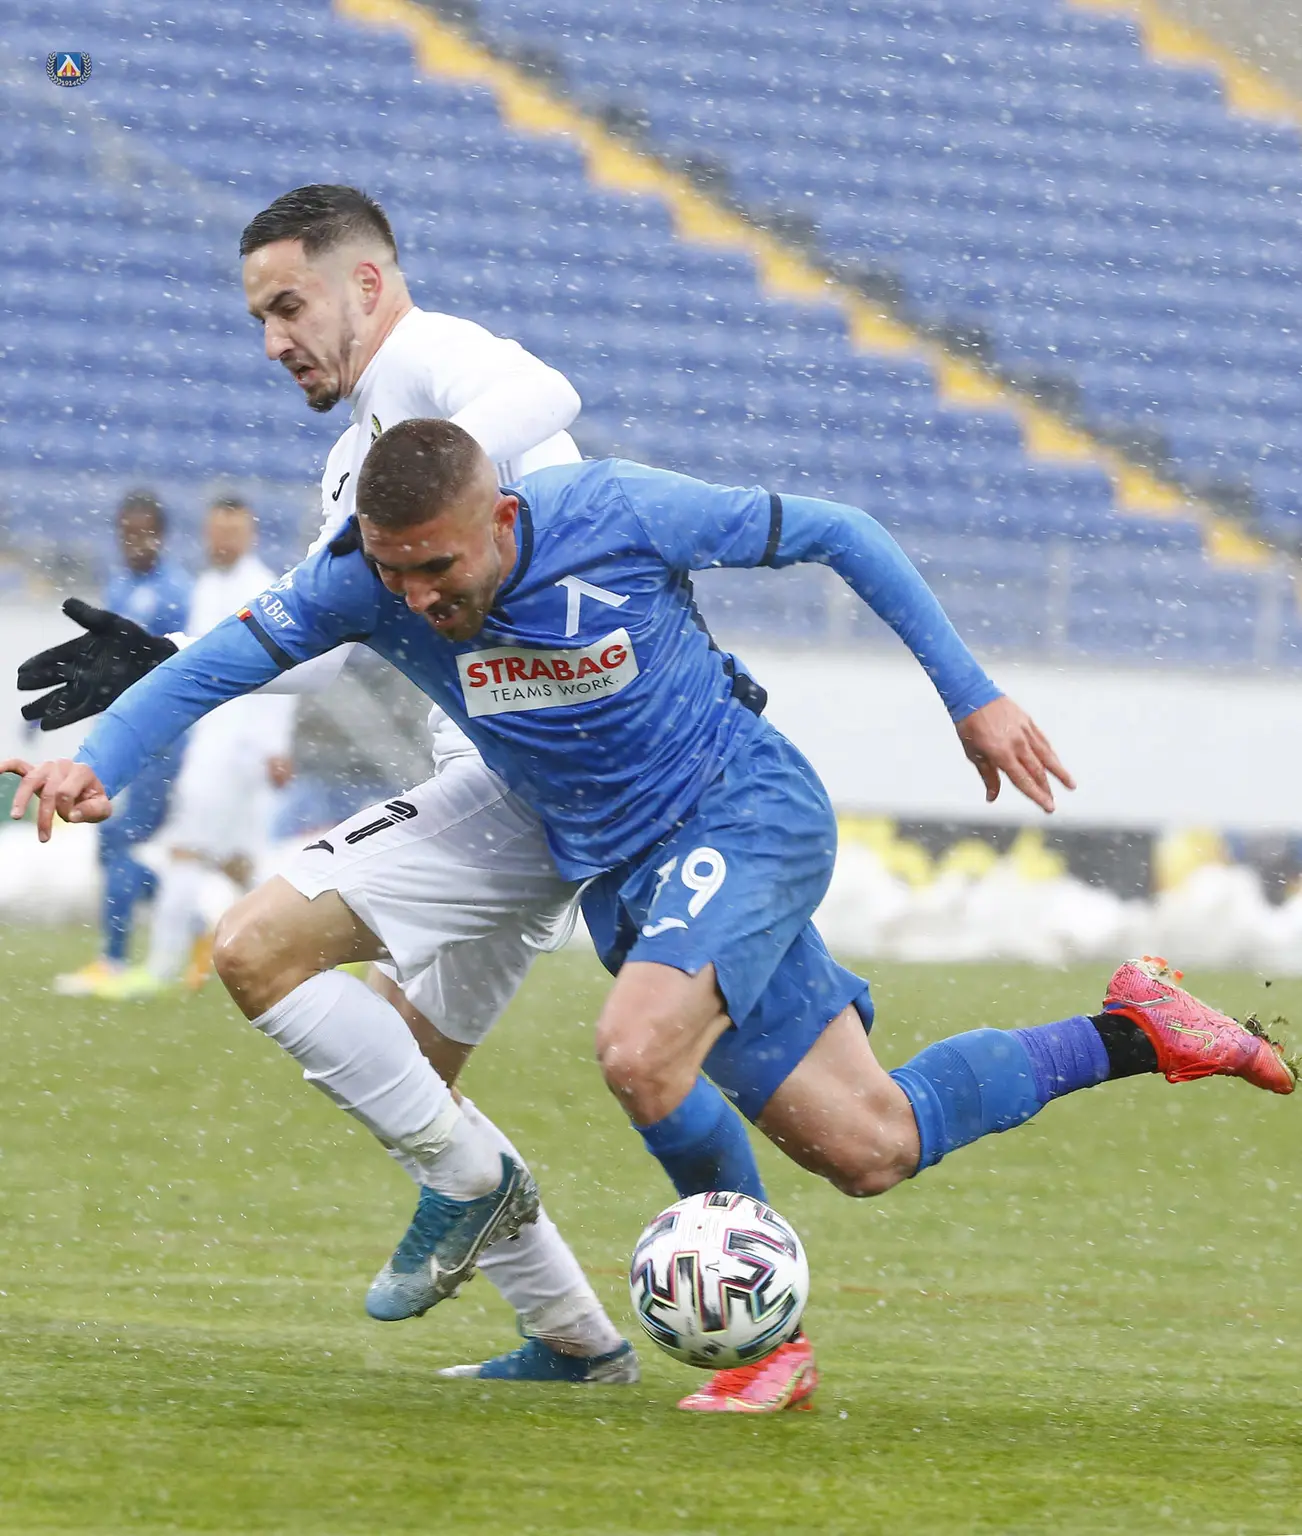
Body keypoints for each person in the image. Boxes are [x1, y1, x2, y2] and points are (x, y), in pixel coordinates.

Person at [12, 425, 1293, 1413]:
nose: (419, 598)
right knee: (870, 1143)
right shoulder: (365, 582)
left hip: (745, 809)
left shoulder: (612, 511)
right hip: (631, 875)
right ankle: (1138, 1029)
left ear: (501, 517)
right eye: (396, 573)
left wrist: (972, 696)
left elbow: (841, 530)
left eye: (440, 567)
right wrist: (101, 761)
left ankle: (768, 1350)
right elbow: (222, 661)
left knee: (636, 1049)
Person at [18, 186, 638, 1389]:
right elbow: (313, 635)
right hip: (536, 775)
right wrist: (162, 661)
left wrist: (423, 495)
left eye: (289, 306)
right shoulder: (357, 459)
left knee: (265, 958)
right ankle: (577, 1343)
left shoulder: (431, 359)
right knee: (410, 1075)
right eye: (259, 318)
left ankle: (500, 1205)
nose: (273, 341)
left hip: (520, 779)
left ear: (366, 284)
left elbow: (546, 393)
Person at [110, 497, 296, 997]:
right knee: (242, 864)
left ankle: (161, 967)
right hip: (212, 740)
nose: (222, 541)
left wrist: (274, 746)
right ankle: (307, 952)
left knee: (185, 851)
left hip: (239, 750)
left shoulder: (265, 589)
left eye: (232, 532)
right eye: (216, 531)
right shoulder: (208, 585)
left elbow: (288, 669)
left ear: (251, 535)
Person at [51, 491, 191, 998]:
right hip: (126, 733)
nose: (135, 543)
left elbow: (181, 669)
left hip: (160, 740)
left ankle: (114, 960)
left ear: (162, 536)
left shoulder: (175, 592)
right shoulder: (120, 584)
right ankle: (192, 913)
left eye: (144, 533)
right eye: (127, 533)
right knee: (112, 843)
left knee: (119, 838)